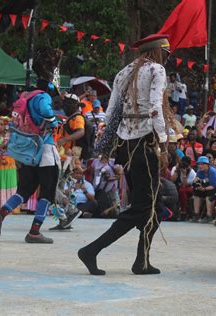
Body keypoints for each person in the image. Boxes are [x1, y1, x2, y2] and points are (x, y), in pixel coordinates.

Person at [78, 34, 172, 276]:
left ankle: (142, 261)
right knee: (145, 207)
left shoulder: (124, 72)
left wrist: (109, 145)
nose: (168, 57)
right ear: (157, 51)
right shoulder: (156, 70)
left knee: (155, 206)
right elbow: (154, 109)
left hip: (125, 145)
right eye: (166, 52)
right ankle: (92, 250)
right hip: (146, 143)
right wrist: (163, 143)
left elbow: (110, 113)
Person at [0, 78, 61, 244]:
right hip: (45, 149)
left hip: (29, 150)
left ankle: (1, 214)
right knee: (47, 192)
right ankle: (34, 231)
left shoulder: (25, 97)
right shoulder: (43, 96)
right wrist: (54, 122)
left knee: (24, 190)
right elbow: (46, 111)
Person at [191, 156, 216, 223]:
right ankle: (196, 215)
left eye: (202, 164)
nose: (200, 166)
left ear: (207, 165)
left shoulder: (212, 171)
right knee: (196, 192)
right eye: (199, 164)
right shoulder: (199, 172)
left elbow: (214, 185)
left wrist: (204, 189)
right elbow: (196, 182)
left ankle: (209, 216)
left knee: (209, 194)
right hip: (208, 186)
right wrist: (196, 183)